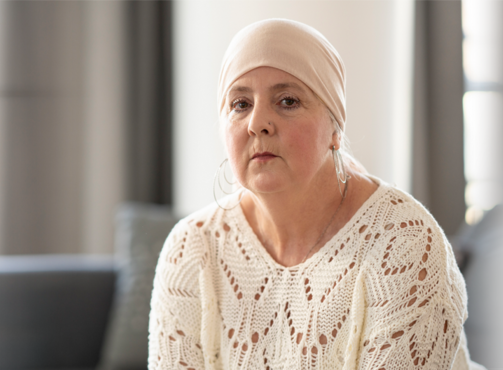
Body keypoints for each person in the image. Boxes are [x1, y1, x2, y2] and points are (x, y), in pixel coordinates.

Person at [148, 19, 484, 369]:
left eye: (288, 100)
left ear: (335, 129)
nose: (257, 122)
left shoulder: (404, 242)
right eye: (240, 104)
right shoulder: (190, 246)